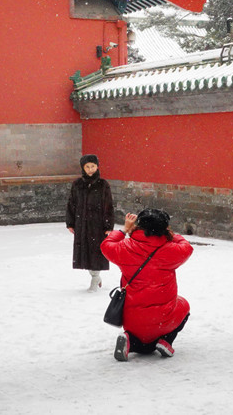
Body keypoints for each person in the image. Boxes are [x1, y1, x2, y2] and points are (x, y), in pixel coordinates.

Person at [100, 208, 193, 361]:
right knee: (184, 305)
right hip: (164, 319)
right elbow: (187, 247)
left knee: (142, 342)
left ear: (139, 225)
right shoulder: (171, 250)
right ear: (164, 228)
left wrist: (124, 230)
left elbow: (106, 245)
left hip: (132, 320)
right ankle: (166, 341)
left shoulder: (126, 248)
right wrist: (170, 235)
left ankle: (130, 340)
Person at [66, 154, 115, 291]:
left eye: (92, 166)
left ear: (97, 166)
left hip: (97, 225)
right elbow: (71, 204)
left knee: (95, 252)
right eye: (87, 166)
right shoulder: (77, 184)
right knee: (84, 253)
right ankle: (95, 276)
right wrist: (70, 222)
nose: (90, 169)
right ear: (83, 167)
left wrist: (108, 225)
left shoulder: (103, 185)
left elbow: (108, 205)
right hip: (81, 224)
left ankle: (95, 278)